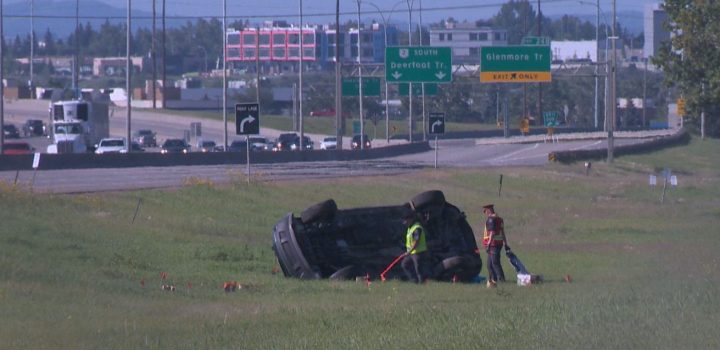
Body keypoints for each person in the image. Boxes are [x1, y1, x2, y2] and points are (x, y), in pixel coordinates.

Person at [400, 206, 428, 284]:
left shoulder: (416, 228)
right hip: (412, 252)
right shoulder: (410, 228)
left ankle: (421, 284)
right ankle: (414, 281)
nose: (404, 222)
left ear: (410, 219)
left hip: (418, 252)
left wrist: (409, 251)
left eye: (405, 220)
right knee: (404, 265)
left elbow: (416, 241)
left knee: (419, 270)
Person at [482, 204, 507, 287]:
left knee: (495, 262)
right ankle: (493, 279)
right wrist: (505, 243)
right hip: (498, 244)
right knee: (489, 264)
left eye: (485, 211)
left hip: (493, 244)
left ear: (489, 210)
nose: (484, 213)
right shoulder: (499, 219)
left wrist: (488, 243)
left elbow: (492, 232)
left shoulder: (491, 220)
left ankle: (501, 280)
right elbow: (502, 232)